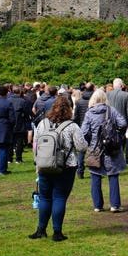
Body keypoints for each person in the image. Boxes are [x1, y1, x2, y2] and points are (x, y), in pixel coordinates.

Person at [28, 97, 88, 242]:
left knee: (45, 198)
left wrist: (37, 162)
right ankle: (57, 232)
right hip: (65, 167)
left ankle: (41, 229)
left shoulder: (43, 123)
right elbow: (81, 147)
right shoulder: (72, 126)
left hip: (44, 165)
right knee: (59, 198)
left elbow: (35, 144)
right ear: (69, 109)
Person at [81, 89, 128, 213]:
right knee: (113, 175)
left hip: (95, 148)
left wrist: (91, 140)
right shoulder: (111, 110)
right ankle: (115, 205)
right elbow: (123, 123)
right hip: (111, 147)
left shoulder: (89, 113)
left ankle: (98, 205)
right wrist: (117, 134)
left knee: (95, 176)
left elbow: (84, 132)